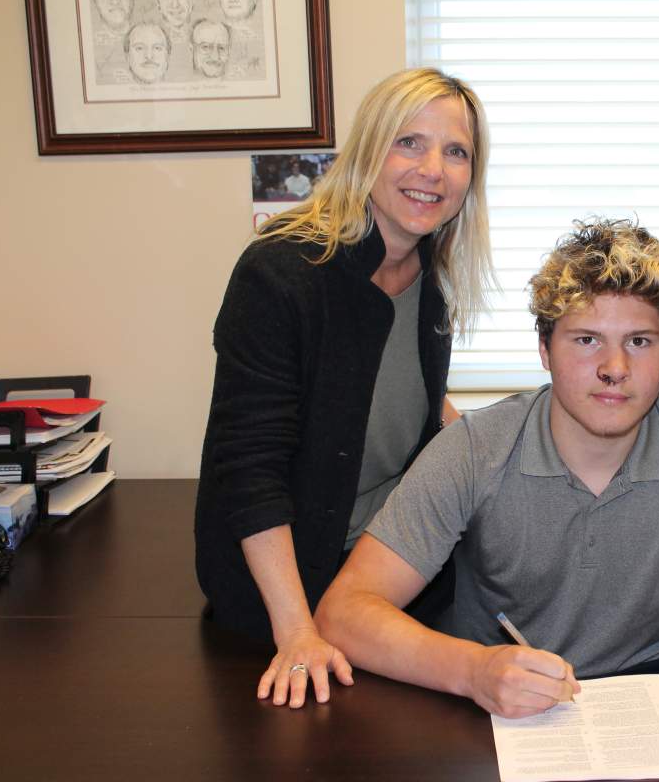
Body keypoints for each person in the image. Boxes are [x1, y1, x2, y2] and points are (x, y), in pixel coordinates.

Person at [315, 219, 659, 719]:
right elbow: (343, 613)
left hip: (655, 688)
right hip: (493, 695)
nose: (614, 367)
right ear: (545, 349)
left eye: (640, 342)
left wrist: (651, 718)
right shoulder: (475, 448)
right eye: (586, 340)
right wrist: (474, 671)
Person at [195, 68, 495, 709]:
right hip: (288, 594)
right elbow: (248, 471)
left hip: (387, 568)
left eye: (456, 152)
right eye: (409, 142)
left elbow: (414, 409)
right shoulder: (280, 273)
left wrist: (497, 452)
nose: (433, 170)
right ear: (369, 149)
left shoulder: (429, 277)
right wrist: (297, 632)